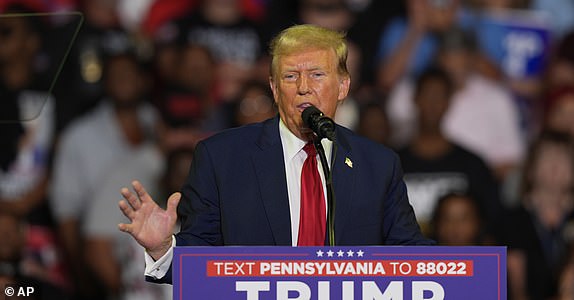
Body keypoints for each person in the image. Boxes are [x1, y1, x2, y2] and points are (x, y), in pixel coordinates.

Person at [117, 24, 432, 285]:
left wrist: (473, 271)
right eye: (290, 76)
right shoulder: (222, 157)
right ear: (274, 87)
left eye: (317, 75)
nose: (303, 88)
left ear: (343, 87)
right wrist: (164, 248)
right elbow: (203, 263)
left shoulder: (377, 164)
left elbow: (414, 260)